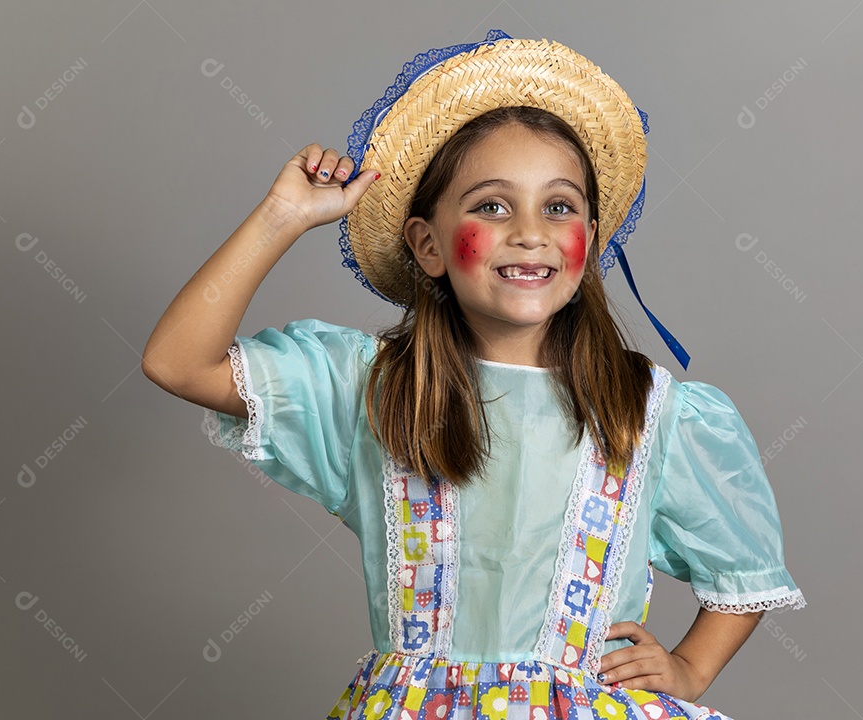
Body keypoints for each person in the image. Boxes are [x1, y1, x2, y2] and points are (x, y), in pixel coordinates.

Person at [143, 30, 805, 720]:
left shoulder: (648, 410)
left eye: (559, 206)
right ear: (428, 244)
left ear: (591, 239)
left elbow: (743, 572)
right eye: (492, 206)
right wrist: (281, 217)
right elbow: (177, 362)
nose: (529, 231)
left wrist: (691, 668)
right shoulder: (367, 389)